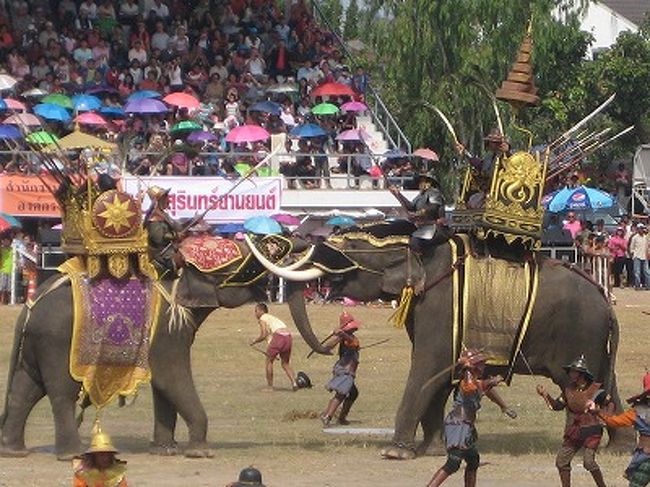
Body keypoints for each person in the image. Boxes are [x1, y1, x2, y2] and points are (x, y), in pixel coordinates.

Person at [427, 349, 517, 487]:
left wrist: (504, 407)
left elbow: (488, 392)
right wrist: (491, 381)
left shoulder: (475, 379)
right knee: (453, 463)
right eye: (480, 364)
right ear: (472, 365)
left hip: (467, 426)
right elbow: (472, 388)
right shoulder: (467, 379)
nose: (483, 366)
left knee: (473, 459)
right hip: (458, 425)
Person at [536, 355, 608, 487]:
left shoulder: (596, 389)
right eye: (571, 371)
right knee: (561, 461)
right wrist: (545, 395)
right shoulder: (569, 390)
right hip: (575, 429)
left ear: (581, 374)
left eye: (574, 371)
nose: (571, 374)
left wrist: (602, 415)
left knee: (588, 462)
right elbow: (557, 406)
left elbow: (609, 404)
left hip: (592, 429)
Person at [593, 371, 650, 487]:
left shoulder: (637, 412)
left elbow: (613, 422)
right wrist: (599, 412)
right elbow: (614, 422)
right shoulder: (637, 412)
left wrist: (599, 412)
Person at [320, 311, 361, 427]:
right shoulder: (345, 338)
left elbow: (354, 343)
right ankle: (327, 416)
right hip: (345, 371)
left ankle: (342, 418)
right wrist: (338, 335)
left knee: (353, 393)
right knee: (341, 394)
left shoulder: (348, 338)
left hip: (348, 371)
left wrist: (341, 334)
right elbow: (329, 346)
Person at [249, 302, 298, 391]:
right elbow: (270, 336)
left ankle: (270, 387)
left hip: (279, 337)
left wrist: (254, 341)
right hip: (288, 337)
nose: (255, 314)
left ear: (261, 311)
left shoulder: (263, 318)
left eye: (256, 311)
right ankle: (294, 383)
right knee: (285, 363)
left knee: (269, 362)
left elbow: (264, 334)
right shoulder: (272, 318)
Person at [144, 185, 183, 277]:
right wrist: (175, 235)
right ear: (159, 200)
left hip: (171, 247)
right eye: (165, 197)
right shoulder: (154, 217)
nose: (168, 200)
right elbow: (158, 238)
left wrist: (192, 220)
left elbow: (176, 225)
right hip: (162, 253)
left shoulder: (163, 214)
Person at [629, 223, 649, 290]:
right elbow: (631, 247)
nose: (641, 230)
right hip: (637, 256)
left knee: (646, 272)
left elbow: (647, 246)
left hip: (645, 256)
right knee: (637, 272)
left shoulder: (646, 237)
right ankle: (637, 286)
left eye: (642, 228)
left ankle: (648, 285)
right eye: (640, 228)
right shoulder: (635, 238)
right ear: (638, 229)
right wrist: (633, 255)